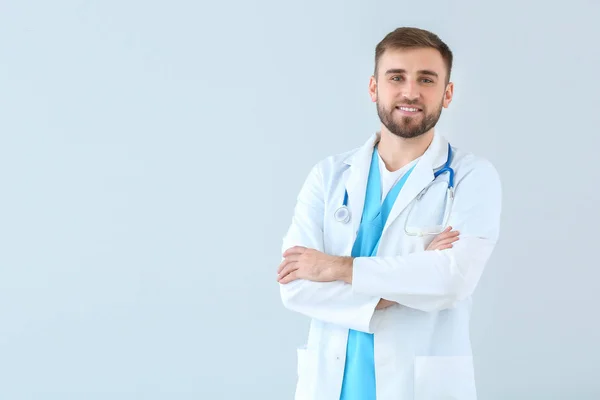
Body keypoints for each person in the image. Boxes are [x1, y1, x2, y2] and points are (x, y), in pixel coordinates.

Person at [276, 27, 502, 400]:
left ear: (447, 93)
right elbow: (296, 287)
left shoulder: (472, 177)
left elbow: (451, 281)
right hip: (330, 386)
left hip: (419, 388)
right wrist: (411, 278)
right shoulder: (329, 175)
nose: (410, 92)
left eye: (426, 79)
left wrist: (335, 268)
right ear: (373, 88)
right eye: (396, 77)